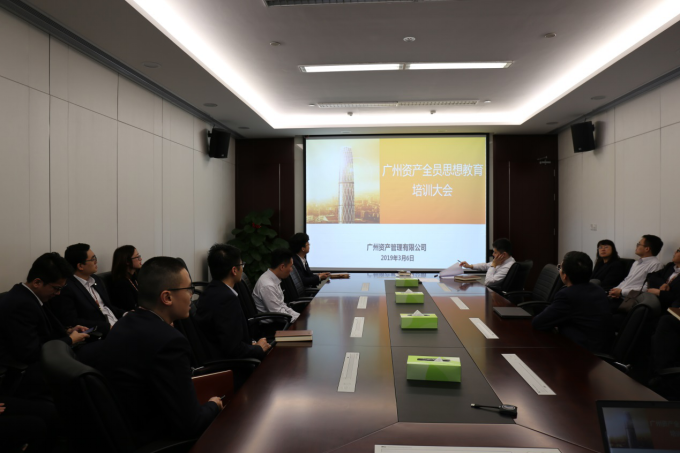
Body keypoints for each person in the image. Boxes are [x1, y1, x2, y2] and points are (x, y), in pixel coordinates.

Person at [97, 257, 223, 448]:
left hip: (125, 430)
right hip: (155, 438)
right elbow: (191, 425)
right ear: (167, 297)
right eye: (188, 289)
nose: (192, 294)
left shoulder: (125, 322)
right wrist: (214, 405)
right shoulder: (169, 342)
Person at [0, 253, 90, 398]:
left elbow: (42, 331)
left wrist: (68, 331)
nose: (58, 293)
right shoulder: (21, 304)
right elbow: (30, 353)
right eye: (56, 288)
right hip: (24, 374)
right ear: (37, 282)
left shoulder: (29, 296)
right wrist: (70, 340)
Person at [195, 244, 271, 361]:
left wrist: (252, 344)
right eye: (242, 265)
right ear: (234, 270)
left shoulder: (211, 291)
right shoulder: (226, 299)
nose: (243, 268)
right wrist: (258, 348)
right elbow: (234, 349)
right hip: (233, 366)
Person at [532, 252, 614, 353]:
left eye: (560, 267)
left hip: (583, 352)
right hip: (602, 346)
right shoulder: (598, 289)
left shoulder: (567, 295)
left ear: (565, 276)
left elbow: (538, 323)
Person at [50, 243, 123, 338]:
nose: (96, 262)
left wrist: (126, 313)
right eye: (93, 259)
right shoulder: (67, 288)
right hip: (103, 334)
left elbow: (107, 307)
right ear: (80, 266)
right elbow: (71, 321)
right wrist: (106, 327)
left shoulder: (96, 279)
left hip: (118, 324)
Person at [608, 235, 665, 301]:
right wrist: (614, 290)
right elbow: (627, 280)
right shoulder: (636, 262)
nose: (636, 247)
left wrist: (621, 292)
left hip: (633, 300)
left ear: (647, 249)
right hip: (621, 296)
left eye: (638, 244)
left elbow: (647, 288)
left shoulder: (656, 264)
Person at [252, 249, 301, 323]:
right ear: (282, 267)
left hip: (281, 320)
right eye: (291, 266)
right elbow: (280, 316)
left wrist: (300, 316)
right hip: (273, 326)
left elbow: (282, 306)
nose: (291, 270)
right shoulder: (268, 286)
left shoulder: (274, 278)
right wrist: (299, 320)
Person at [109, 245, 143, 311]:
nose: (140, 259)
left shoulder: (135, 276)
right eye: (137, 257)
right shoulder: (121, 284)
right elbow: (131, 308)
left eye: (139, 256)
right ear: (127, 261)